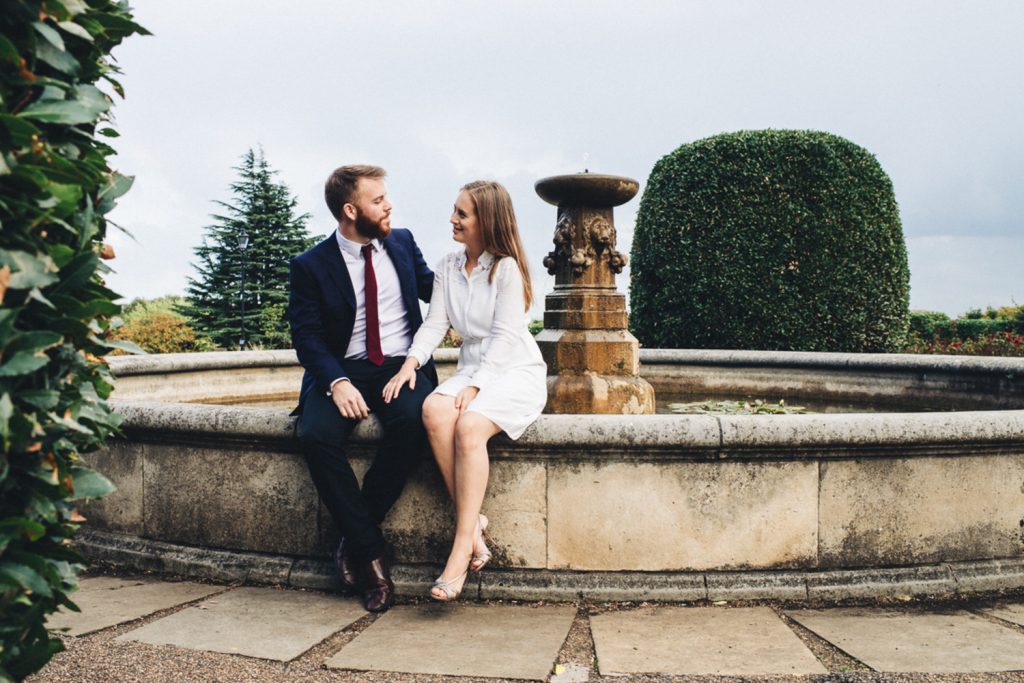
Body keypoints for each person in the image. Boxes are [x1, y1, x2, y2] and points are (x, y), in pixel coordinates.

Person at [383, 180, 547, 601]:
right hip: (473, 363)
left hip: (512, 368)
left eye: (462, 214)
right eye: (455, 211)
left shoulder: (506, 268)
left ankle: (460, 550)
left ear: (486, 221)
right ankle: (475, 526)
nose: (452, 220)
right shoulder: (447, 266)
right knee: (435, 412)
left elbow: (506, 337)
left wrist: (476, 387)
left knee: (470, 427)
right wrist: (410, 364)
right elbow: (436, 324)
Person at [287, 165, 436, 613]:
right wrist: (336, 382)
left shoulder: (404, 242)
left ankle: (354, 538)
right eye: (378, 200)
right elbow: (307, 337)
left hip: (400, 364)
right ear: (351, 210)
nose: (388, 205)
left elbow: (439, 292)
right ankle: (371, 554)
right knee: (314, 435)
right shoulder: (310, 266)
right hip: (342, 367)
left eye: (386, 197)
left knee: (414, 423)